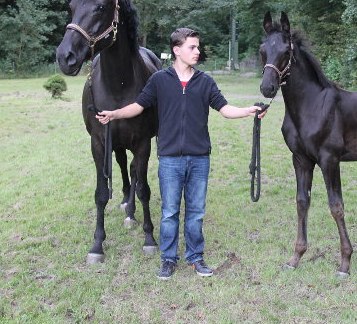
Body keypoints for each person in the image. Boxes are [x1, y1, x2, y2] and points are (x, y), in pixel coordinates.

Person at [96, 28, 267, 280]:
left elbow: (225, 109)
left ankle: (196, 258)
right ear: (177, 50)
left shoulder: (205, 81)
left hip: (199, 158)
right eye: (192, 47)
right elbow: (138, 106)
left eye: (198, 47)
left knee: (196, 213)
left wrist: (248, 111)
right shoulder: (159, 80)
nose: (198, 51)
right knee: (169, 213)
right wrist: (114, 114)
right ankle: (168, 259)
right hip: (169, 159)